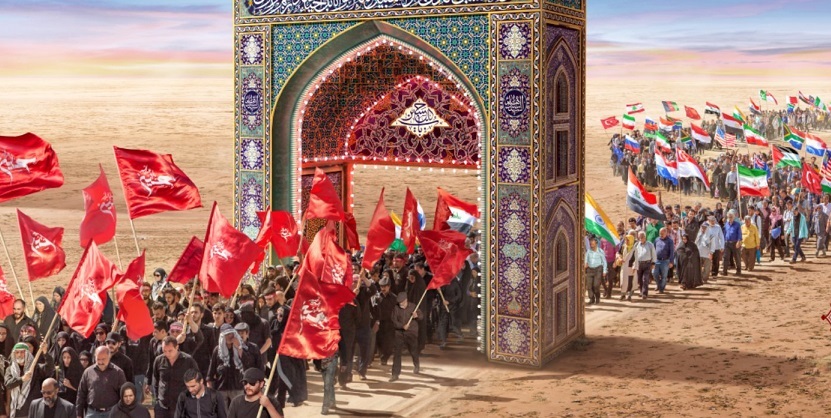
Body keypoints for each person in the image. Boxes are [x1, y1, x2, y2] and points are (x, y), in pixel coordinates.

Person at [151, 337, 199, 418]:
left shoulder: (188, 360)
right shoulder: (158, 360)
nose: (167, 353)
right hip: (162, 406)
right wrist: (156, 399)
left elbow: (197, 380)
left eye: (170, 351)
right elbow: (155, 380)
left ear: (177, 347)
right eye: (164, 351)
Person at [6, 342, 54, 418]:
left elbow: (49, 370)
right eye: (17, 352)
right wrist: (22, 379)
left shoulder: (36, 368)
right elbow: (8, 384)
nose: (19, 355)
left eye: (22, 352)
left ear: (27, 353)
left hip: (33, 410)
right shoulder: (10, 369)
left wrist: (45, 352)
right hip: (17, 412)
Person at [207, 324, 251, 405]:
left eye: (231, 334)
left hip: (237, 386)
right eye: (227, 334)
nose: (230, 336)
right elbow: (211, 372)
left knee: (238, 409)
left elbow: (247, 363)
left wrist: (239, 347)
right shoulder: (217, 350)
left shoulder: (240, 347)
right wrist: (210, 390)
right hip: (221, 387)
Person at [76, 346, 126, 418]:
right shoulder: (88, 372)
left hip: (111, 413)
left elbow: (123, 395)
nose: (100, 362)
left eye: (103, 359)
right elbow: (81, 394)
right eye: (98, 359)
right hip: (92, 413)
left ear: (109, 357)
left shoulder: (118, 372)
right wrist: (79, 414)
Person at [389, 293, 419, 382]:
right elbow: (393, 320)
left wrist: (416, 316)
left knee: (413, 351)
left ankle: (416, 364)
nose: (400, 304)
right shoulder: (396, 308)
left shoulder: (413, 307)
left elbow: (421, 316)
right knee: (397, 353)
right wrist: (402, 326)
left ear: (406, 300)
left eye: (402, 302)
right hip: (399, 333)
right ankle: (395, 374)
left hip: (411, 333)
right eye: (399, 303)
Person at [583, 237, 606, 304]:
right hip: (590, 269)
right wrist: (585, 263)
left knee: (596, 285)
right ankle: (591, 299)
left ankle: (597, 298)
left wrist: (604, 271)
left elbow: (604, 261)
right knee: (589, 286)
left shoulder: (601, 251)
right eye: (590, 244)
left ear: (596, 244)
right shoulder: (588, 251)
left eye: (593, 244)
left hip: (598, 269)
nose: (591, 245)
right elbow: (586, 259)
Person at [633, 231, 656, 299]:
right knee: (639, 279)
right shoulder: (636, 244)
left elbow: (654, 254)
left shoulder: (650, 244)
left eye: (642, 237)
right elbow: (634, 254)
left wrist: (653, 263)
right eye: (639, 237)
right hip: (639, 264)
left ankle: (644, 293)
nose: (641, 239)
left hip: (647, 264)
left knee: (645, 279)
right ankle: (641, 291)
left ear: (645, 237)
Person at [617, 231, 637, 301]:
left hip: (631, 268)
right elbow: (618, 253)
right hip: (623, 267)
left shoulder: (634, 249)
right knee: (623, 282)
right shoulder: (623, 247)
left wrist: (634, 267)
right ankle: (623, 295)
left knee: (630, 282)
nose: (626, 241)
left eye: (628, 240)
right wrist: (619, 258)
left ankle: (629, 295)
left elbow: (636, 259)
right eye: (626, 240)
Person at [722, 210, 743, 276]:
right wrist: (723, 242)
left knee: (737, 258)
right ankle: (724, 271)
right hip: (727, 243)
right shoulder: (726, 224)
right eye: (729, 217)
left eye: (731, 217)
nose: (730, 218)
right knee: (726, 257)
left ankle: (738, 271)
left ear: (734, 217)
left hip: (735, 243)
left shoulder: (737, 224)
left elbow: (739, 234)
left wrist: (739, 241)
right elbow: (724, 233)